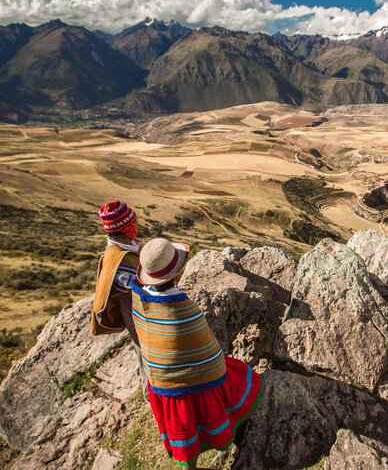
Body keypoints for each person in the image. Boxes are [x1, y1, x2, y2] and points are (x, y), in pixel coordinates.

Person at [132, 238, 262, 467]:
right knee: (241, 375)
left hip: (161, 384)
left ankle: (189, 463)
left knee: (185, 438)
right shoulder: (182, 308)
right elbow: (209, 353)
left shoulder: (139, 299)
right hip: (195, 384)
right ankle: (235, 434)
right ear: (177, 272)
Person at [91, 200, 141, 347]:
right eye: (135, 222)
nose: (138, 225)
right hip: (140, 318)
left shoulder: (116, 251)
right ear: (128, 227)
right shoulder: (123, 260)